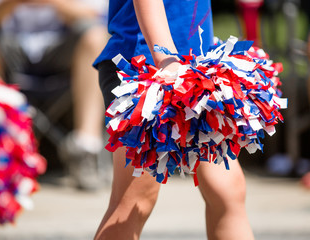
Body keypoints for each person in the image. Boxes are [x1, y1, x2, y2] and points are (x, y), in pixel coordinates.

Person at [93, 1, 255, 239]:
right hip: (143, 67)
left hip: (197, 70)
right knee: (136, 199)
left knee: (227, 190)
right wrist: (166, 60)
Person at [0, 0, 108, 191]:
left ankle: (86, 147)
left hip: (62, 50)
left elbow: (94, 15)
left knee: (96, 35)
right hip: (9, 51)